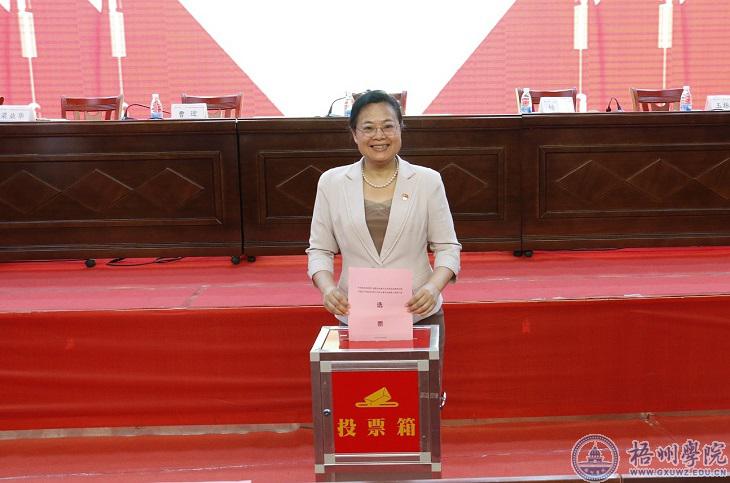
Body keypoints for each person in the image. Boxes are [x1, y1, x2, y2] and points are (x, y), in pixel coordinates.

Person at [306, 90, 461, 358]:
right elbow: (319, 250)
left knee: (418, 386)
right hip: (354, 314)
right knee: (363, 386)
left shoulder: (427, 181)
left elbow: (448, 248)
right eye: (368, 128)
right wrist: (328, 289)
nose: (379, 135)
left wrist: (432, 288)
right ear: (354, 134)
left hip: (418, 313)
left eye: (388, 126)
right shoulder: (331, 183)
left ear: (400, 129)